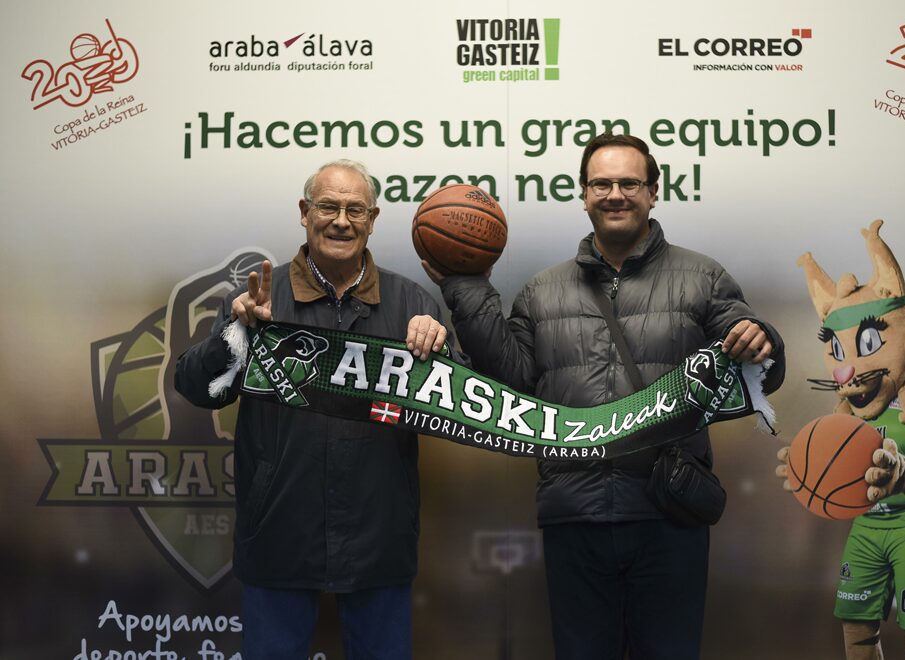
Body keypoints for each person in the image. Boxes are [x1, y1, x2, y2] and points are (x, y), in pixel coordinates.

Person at [423, 133, 785, 659]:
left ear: (654, 191)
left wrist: (763, 339)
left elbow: (757, 358)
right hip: (575, 515)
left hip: (668, 513)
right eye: (602, 183)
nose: (615, 193)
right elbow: (511, 386)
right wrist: (465, 285)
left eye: (629, 182)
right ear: (583, 193)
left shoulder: (703, 277)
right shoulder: (541, 291)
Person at [175, 159, 455, 660]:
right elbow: (199, 389)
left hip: (378, 541)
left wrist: (443, 352)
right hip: (279, 537)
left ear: (372, 219)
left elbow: (455, 407)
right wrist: (237, 334)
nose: (341, 220)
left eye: (354, 209)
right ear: (305, 213)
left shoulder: (412, 301)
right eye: (328, 206)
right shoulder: (259, 298)